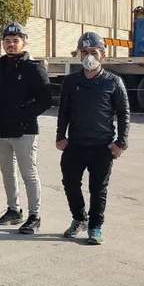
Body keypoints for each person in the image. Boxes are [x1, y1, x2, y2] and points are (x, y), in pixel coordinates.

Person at [56, 31, 130, 245]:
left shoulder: (113, 82)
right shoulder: (71, 81)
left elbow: (124, 113)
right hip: (75, 144)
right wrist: (60, 135)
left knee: (98, 189)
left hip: (102, 146)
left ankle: (95, 226)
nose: (89, 56)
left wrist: (121, 142)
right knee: (70, 183)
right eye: (84, 52)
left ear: (103, 55)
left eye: (94, 52)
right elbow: (64, 111)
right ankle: (79, 218)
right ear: (79, 54)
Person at [0, 22, 53, 234]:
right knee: (7, 172)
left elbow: (45, 100)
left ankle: (35, 216)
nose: (11, 44)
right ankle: (14, 210)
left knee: (29, 174)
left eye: (15, 41)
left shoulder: (34, 68)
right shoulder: (1, 67)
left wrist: (22, 116)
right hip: (2, 131)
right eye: (7, 41)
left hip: (25, 132)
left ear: (24, 42)